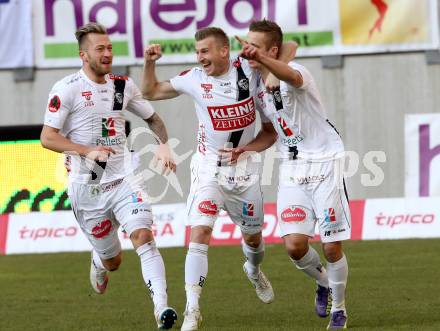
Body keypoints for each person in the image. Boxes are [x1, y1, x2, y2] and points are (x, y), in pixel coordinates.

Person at [142, 27, 296, 331]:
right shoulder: (195, 78)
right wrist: (150, 63)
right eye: (198, 52)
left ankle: (252, 269)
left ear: (224, 51)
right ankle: (193, 310)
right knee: (199, 233)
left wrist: (269, 67)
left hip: (244, 169)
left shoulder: (248, 69)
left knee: (253, 240)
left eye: (205, 51)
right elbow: (150, 91)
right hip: (208, 167)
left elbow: (289, 45)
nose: (200, 58)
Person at [40, 22, 178, 330]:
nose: (107, 54)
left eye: (110, 48)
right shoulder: (67, 89)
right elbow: (48, 138)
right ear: (83, 55)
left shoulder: (122, 85)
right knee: (114, 261)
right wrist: (84, 149)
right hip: (87, 188)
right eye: (100, 49)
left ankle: (161, 309)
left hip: (125, 177)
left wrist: (165, 146)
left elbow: (153, 118)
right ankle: (99, 261)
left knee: (143, 237)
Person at [234, 20, 350, 330]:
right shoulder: (256, 82)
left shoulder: (293, 71)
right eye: (246, 44)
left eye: (254, 46)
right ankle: (323, 283)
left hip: (326, 161)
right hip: (292, 166)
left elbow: (290, 63)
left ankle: (339, 308)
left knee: (331, 246)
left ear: (271, 51)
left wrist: (271, 65)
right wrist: (244, 150)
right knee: (295, 246)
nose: (247, 51)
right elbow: (270, 133)